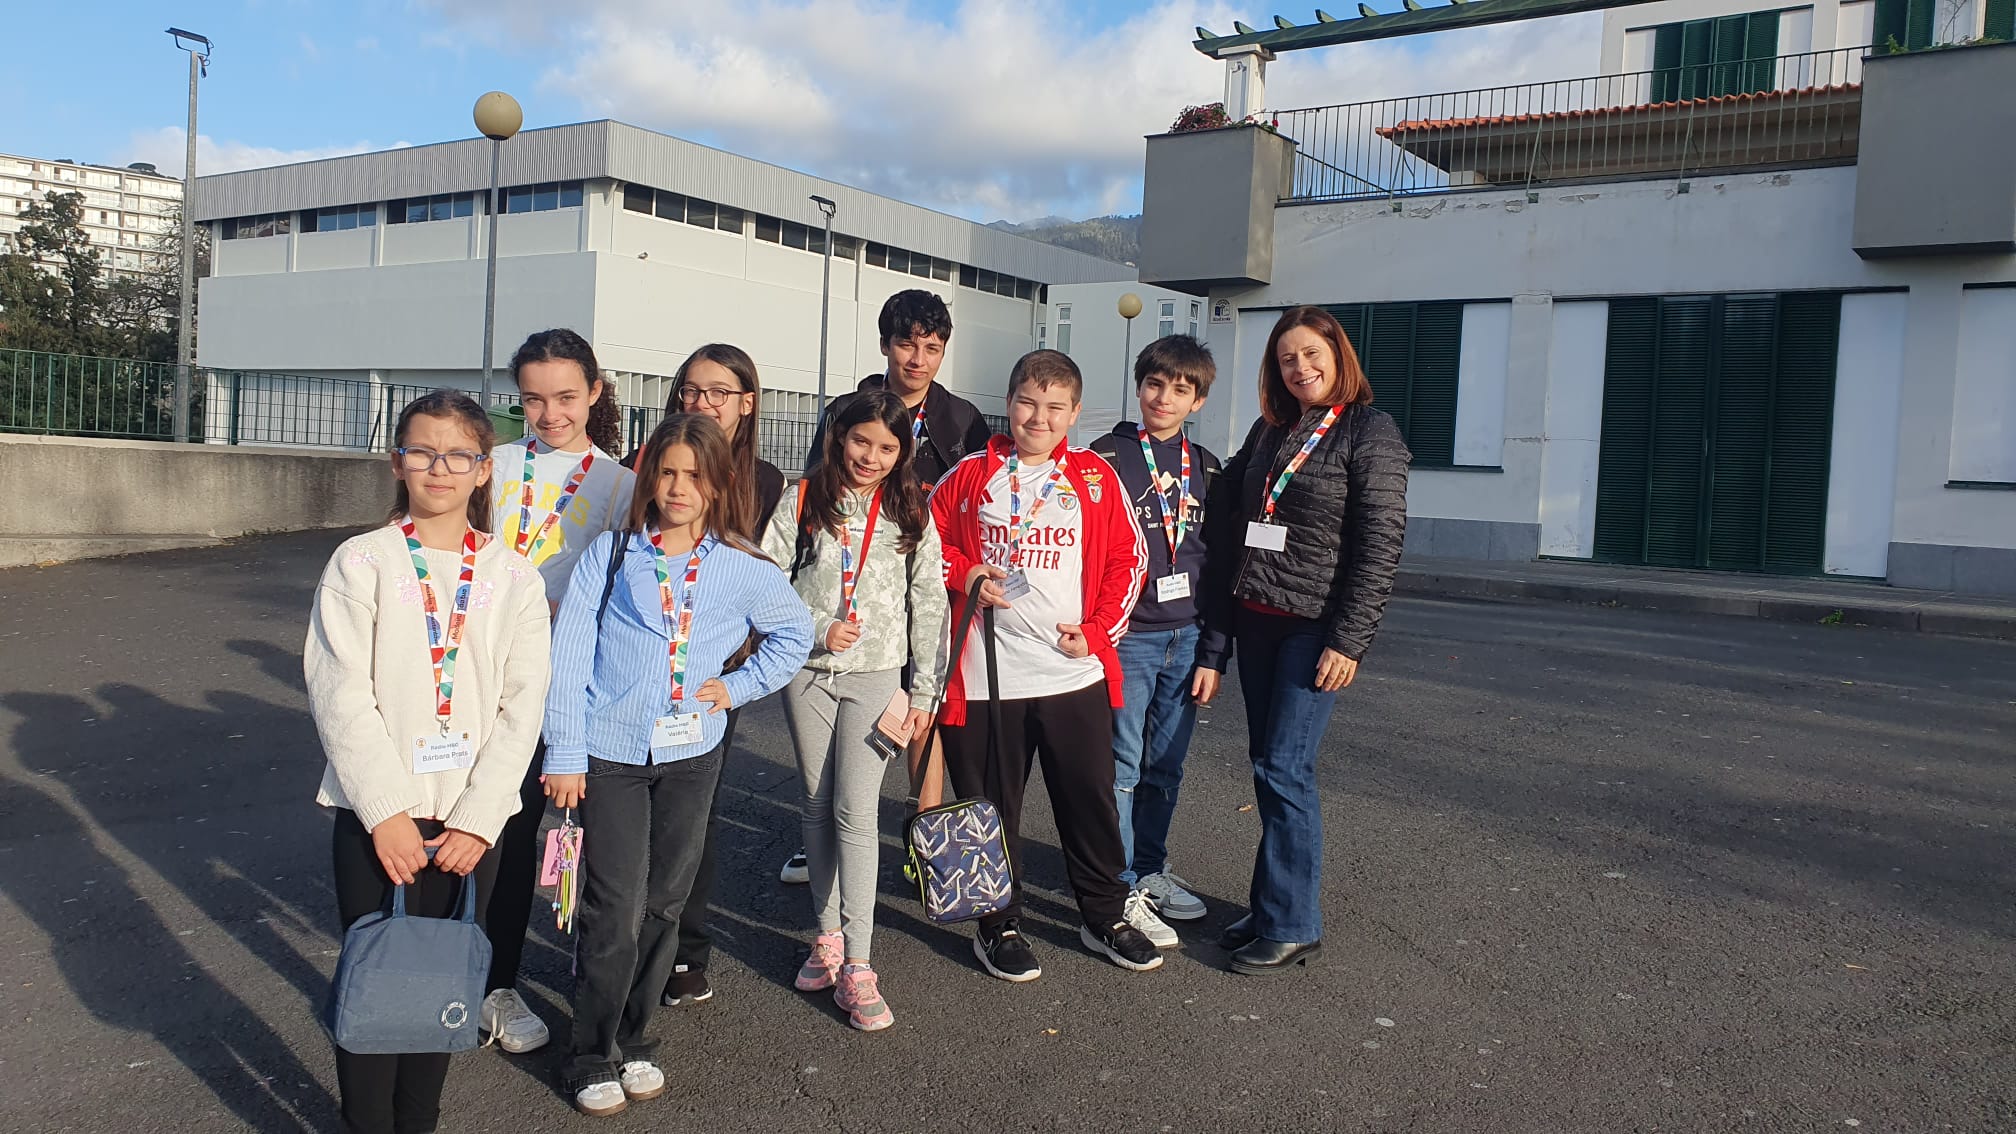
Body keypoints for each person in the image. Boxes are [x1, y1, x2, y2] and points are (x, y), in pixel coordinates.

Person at [542, 413, 811, 1117]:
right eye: (666, 472)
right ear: (648, 477)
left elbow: (794, 633)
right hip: (610, 753)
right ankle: (591, 1051)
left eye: (695, 474)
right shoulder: (611, 555)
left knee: (666, 900)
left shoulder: (743, 565)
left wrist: (737, 687)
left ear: (719, 482)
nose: (679, 487)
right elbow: (569, 657)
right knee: (613, 905)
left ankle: (635, 1036)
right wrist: (565, 752)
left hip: (693, 754)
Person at [306, 390, 551, 1134]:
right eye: (422, 451)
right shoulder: (363, 562)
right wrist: (385, 813)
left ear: (484, 469)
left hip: (469, 827)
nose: (439, 468)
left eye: (458, 455)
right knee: (377, 983)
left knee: (443, 987)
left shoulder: (516, 577)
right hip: (377, 819)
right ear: (397, 462)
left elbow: (522, 708)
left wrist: (479, 819)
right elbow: (339, 690)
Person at [928, 349, 1161, 981]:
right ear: (1008, 402)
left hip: (1071, 674)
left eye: (1056, 407)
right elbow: (925, 543)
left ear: (1075, 412)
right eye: (1028, 403)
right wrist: (967, 572)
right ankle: (997, 923)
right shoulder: (971, 474)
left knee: (1089, 802)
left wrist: (1099, 632)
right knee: (990, 807)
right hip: (985, 677)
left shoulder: (1094, 476)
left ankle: (1104, 915)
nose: (1040, 417)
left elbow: (1130, 559)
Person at [1197, 305, 1410, 976]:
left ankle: (1293, 922)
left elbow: (1380, 545)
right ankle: (1270, 906)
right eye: (1287, 358)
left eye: (1312, 354)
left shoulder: (1370, 431)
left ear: (1338, 356)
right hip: (1259, 616)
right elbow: (1225, 496)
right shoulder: (1272, 428)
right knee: (1267, 762)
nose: (1301, 368)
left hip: (1314, 626)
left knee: (1286, 767)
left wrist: (1349, 641)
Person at [784, 288, 988, 888]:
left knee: (923, 718)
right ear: (884, 345)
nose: (917, 359)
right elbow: (820, 490)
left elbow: (974, 505)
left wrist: (960, 569)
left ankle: (926, 845)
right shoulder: (848, 409)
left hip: (925, 583)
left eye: (932, 348)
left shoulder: (962, 419)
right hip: (849, 597)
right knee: (837, 735)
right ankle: (823, 841)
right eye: (906, 344)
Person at [760, 390, 948, 1031]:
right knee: (815, 803)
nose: (871, 456)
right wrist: (818, 627)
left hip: (877, 678)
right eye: (861, 441)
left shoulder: (912, 510)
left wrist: (924, 691)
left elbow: (930, 601)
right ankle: (827, 938)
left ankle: (860, 962)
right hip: (808, 674)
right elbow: (767, 583)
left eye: (887, 447)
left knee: (856, 812)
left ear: (902, 453)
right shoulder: (801, 500)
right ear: (839, 437)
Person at [481, 329, 636, 1055]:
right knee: (499, 832)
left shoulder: (619, 483)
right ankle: (493, 984)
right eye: (534, 399)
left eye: (567, 397)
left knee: (579, 836)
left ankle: (593, 979)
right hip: (487, 675)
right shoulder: (493, 464)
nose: (550, 414)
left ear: (595, 392)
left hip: (573, 681)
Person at [651, 344, 786, 1009]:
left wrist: (744, 657)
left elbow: (774, 579)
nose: (702, 403)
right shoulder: (650, 463)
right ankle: (624, 941)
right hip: (643, 665)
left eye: (719, 392)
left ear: (747, 403)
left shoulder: (765, 481)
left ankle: (685, 948)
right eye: (691, 390)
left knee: (692, 814)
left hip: (714, 676)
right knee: (629, 813)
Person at [1086, 335, 1227, 948]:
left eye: (1180, 389)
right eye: (1154, 384)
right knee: (1120, 764)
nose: (1164, 398)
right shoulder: (1105, 457)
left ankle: (1150, 868)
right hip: (1128, 637)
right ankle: (1118, 885)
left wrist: (1214, 652)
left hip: (1187, 637)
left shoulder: (1209, 467)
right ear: (1139, 386)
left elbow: (1220, 562)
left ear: (1198, 401)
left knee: (1165, 765)